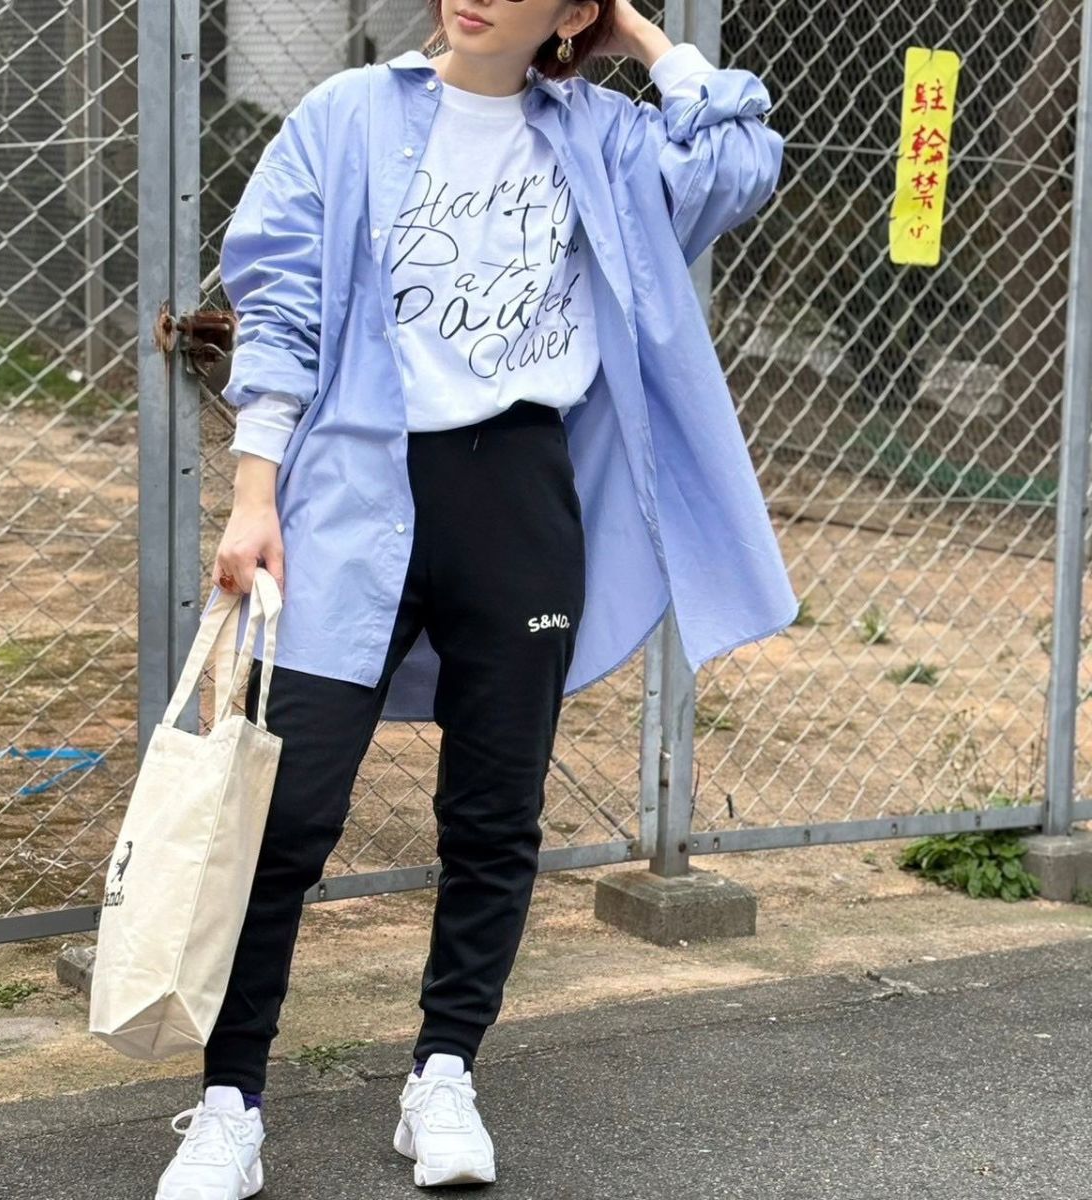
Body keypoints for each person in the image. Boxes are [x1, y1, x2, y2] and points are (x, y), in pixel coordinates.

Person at [153, 0, 796, 1194]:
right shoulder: (349, 115)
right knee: (284, 817)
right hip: (352, 493)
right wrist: (254, 494)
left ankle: (444, 1074)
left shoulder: (605, 138)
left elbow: (740, 159)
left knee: (496, 814)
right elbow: (279, 306)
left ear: (574, 9)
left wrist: (645, 42)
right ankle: (229, 1104)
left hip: (519, 499)